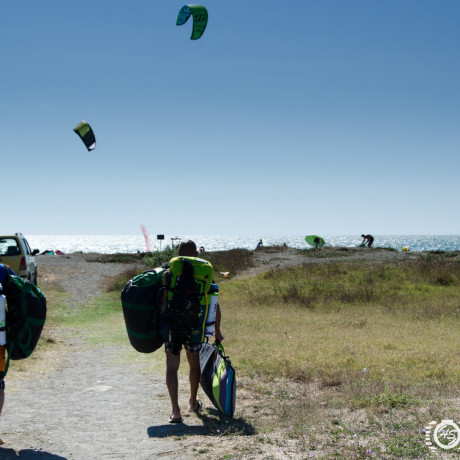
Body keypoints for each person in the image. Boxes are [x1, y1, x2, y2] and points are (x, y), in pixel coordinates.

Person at [165, 240, 224, 423]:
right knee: (194, 362)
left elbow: (163, 297)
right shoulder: (204, 274)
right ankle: (192, 401)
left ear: (178, 253)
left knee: (172, 364)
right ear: (196, 255)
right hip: (195, 324)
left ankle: (175, 411)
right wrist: (217, 331)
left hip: (172, 325)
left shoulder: (170, 271)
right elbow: (215, 304)